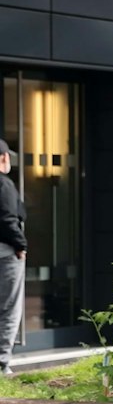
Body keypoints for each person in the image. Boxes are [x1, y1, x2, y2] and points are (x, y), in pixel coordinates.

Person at [0, 141, 22, 377]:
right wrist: (21, 245)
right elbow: (8, 219)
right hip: (6, 252)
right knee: (8, 308)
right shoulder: (4, 184)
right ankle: (2, 363)